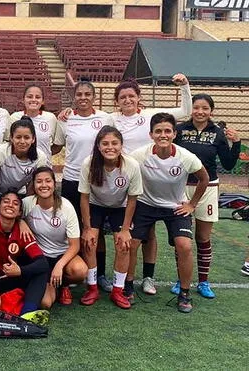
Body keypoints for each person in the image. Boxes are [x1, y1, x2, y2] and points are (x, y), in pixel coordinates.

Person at [111, 74, 191, 295]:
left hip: (156, 182)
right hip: (129, 184)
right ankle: (126, 279)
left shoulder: (149, 116)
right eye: (123, 97)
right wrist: (65, 115)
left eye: (131, 96)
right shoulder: (112, 119)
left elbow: (184, 111)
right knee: (134, 236)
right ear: (116, 100)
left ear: (139, 98)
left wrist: (185, 86)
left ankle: (148, 278)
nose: (127, 100)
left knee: (150, 234)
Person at [127, 113, 209, 313]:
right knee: (132, 243)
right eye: (158, 131)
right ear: (151, 134)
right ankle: (127, 287)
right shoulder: (139, 155)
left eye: (167, 131)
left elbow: (204, 179)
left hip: (174, 207)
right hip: (146, 204)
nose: (163, 135)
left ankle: (184, 293)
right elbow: (126, 172)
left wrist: (192, 204)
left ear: (174, 134)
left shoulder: (186, 157)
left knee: (185, 245)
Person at [170, 94, 241, 298]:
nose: (200, 112)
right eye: (196, 108)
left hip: (208, 187)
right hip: (182, 187)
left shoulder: (218, 133)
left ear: (212, 111)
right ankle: (181, 279)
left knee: (202, 237)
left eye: (205, 108)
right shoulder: (180, 131)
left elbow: (227, 164)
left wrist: (235, 143)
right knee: (182, 237)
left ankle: (203, 281)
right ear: (191, 109)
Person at [52, 79, 114, 292]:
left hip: (98, 180)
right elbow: (57, 146)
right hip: (71, 180)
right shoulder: (66, 119)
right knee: (69, 227)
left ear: (93, 97)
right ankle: (71, 272)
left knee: (96, 230)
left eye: (88, 94)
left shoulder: (105, 118)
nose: (83, 98)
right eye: (79, 94)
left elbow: (114, 142)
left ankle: (101, 274)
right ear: (74, 97)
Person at [78, 126, 142, 309]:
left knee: (123, 245)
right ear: (98, 146)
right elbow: (83, 197)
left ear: (121, 145)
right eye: (105, 143)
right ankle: (92, 288)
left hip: (120, 207)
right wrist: (87, 228)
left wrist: (124, 230)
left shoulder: (131, 165)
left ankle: (117, 291)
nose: (110, 147)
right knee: (90, 242)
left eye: (115, 143)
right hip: (95, 205)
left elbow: (132, 199)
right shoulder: (88, 163)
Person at [0, 191, 51, 327]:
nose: (10, 205)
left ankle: (27, 314)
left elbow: (42, 263)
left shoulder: (22, 231)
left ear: (19, 212)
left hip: (11, 279)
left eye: (15, 203)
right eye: (6, 201)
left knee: (41, 271)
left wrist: (21, 271)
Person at [21, 167, 88, 307]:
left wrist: (59, 265)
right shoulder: (27, 203)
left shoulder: (66, 207)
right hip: (40, 257)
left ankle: (63, 285)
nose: (44, 185)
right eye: (39, 181)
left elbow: (75, 245)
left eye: (48, 181)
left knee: (80, 271)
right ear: (33, 185)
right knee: (45, 303)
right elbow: (11, 216)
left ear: (54, 183)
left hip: (62, 254)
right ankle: (52, 285)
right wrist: (20, 221)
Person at [0, 117, 47, 208]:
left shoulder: (40, 157)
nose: (22, 141)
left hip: (19, 194)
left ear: (33, 139)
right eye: (18, 137)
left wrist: (25, 206)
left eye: (27, 138)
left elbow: (32, 185)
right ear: (11, 138)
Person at [9, 84, 57, 164]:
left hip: (43, 167)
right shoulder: (14, 117)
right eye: (30, 97)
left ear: (43, 101)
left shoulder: (50, 118)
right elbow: (10, 142)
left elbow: (56, 145)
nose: (34, 100)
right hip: (19, 168)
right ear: (23, 100)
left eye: (37, 97)